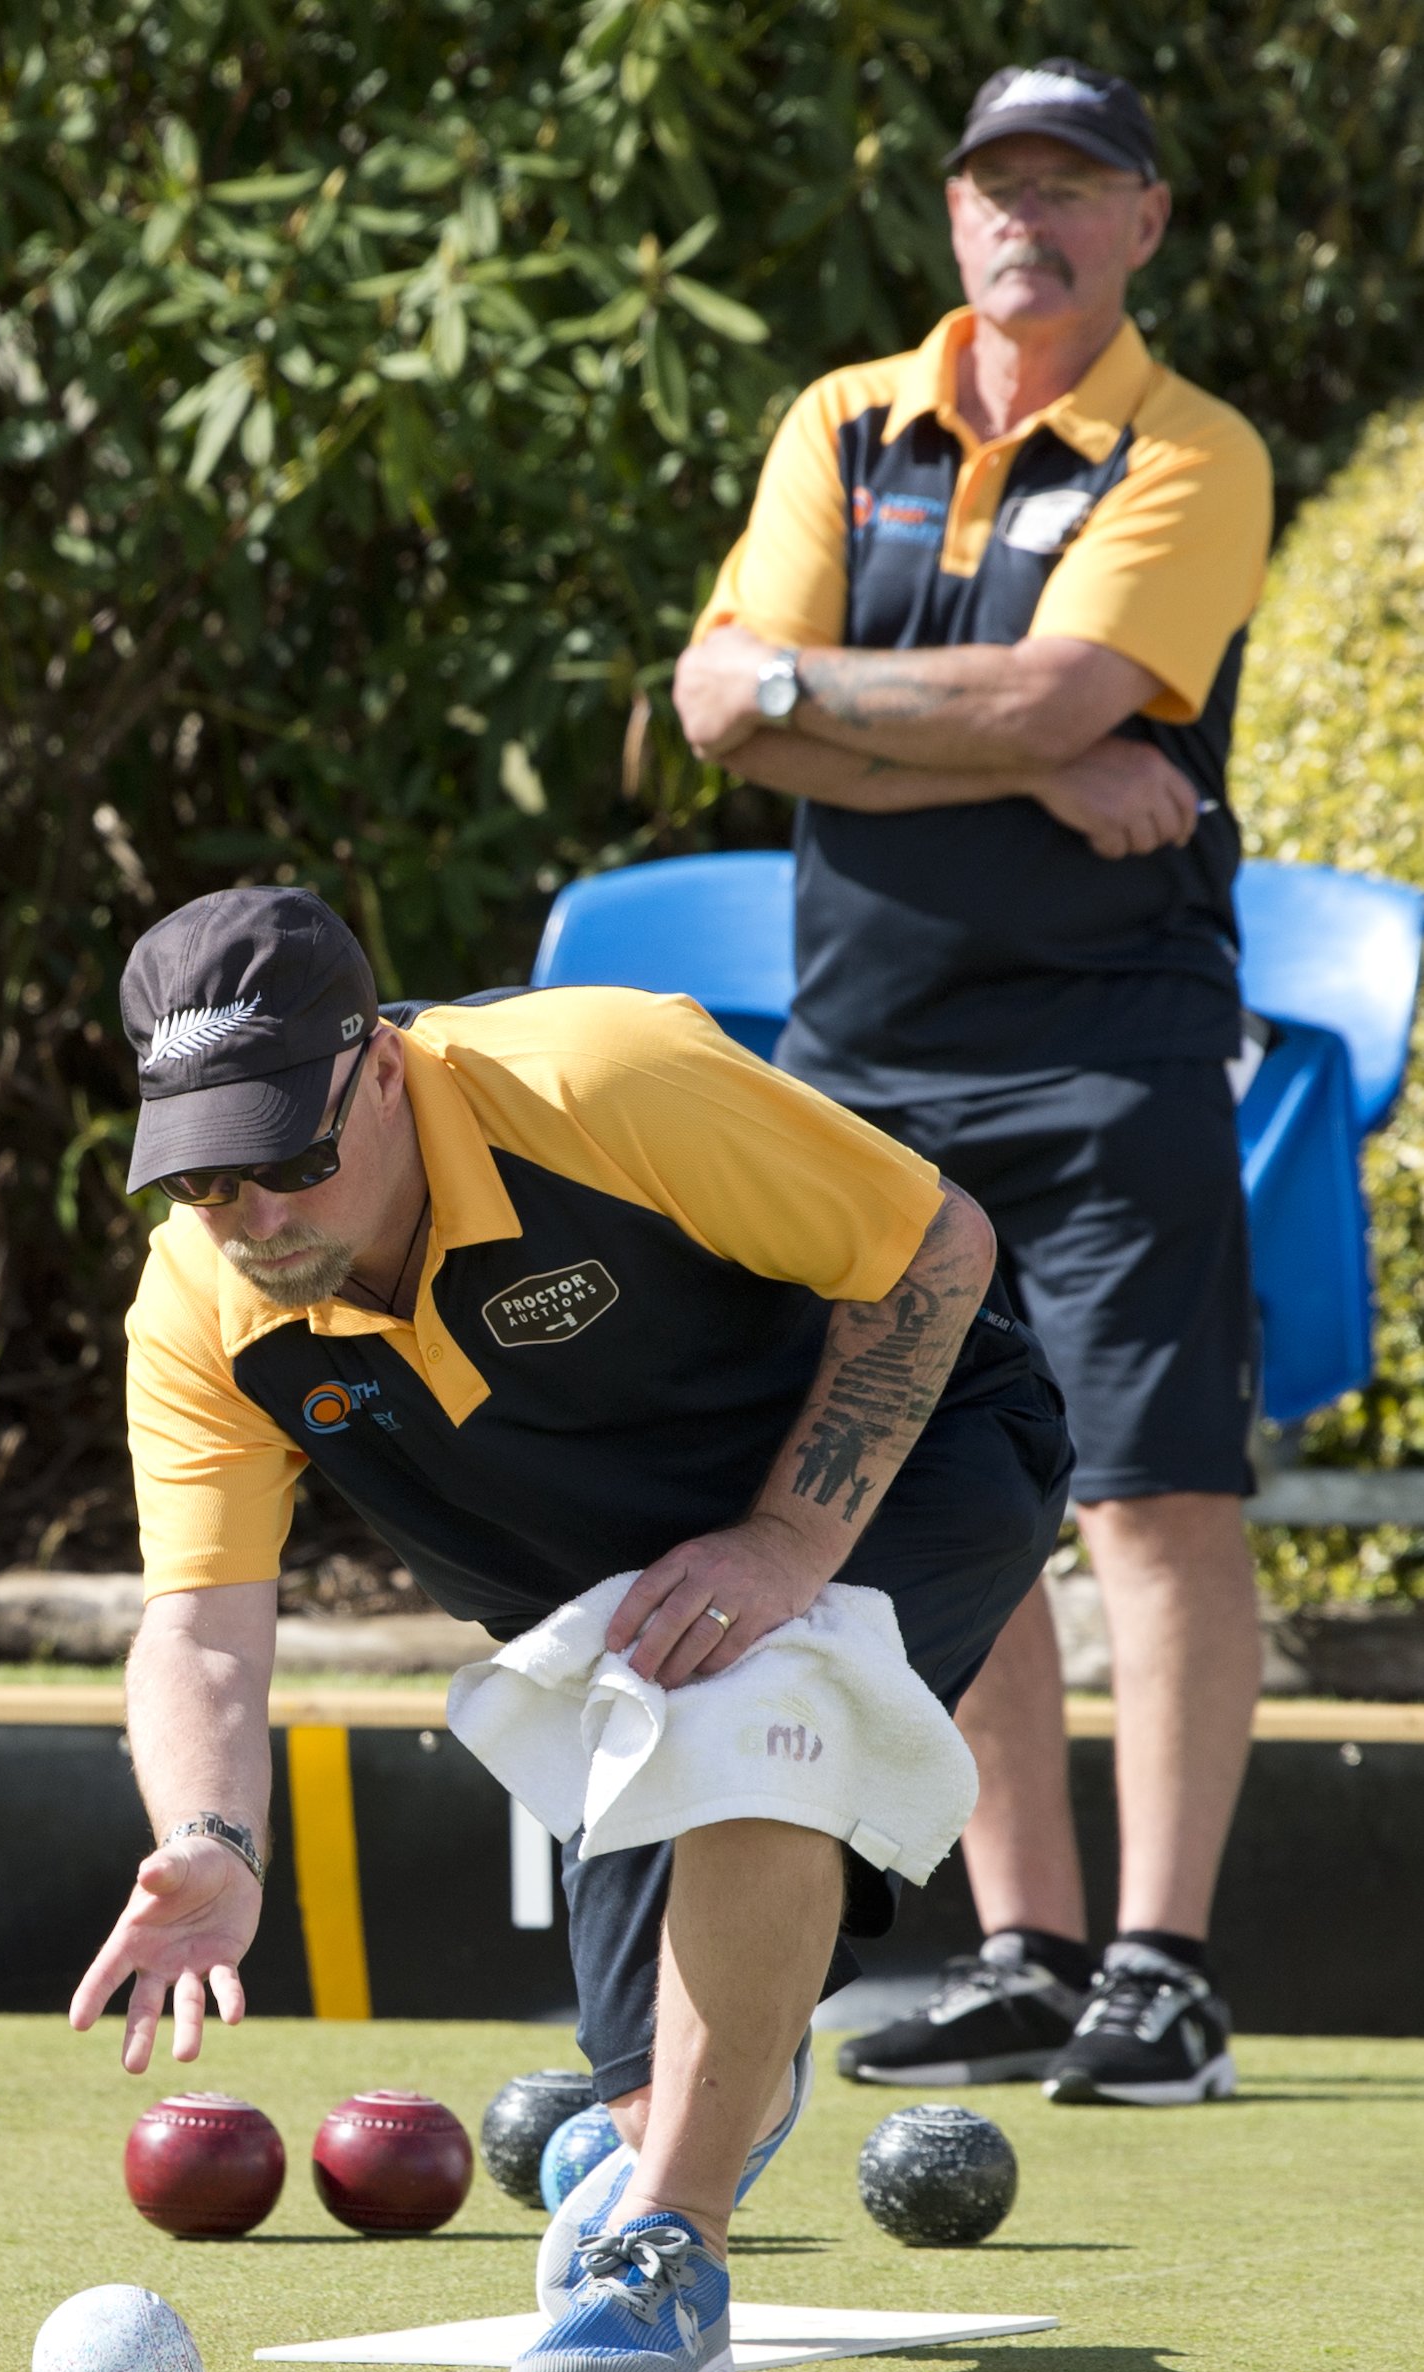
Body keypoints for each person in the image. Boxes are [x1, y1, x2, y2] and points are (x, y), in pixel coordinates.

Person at [70, 884, 1069, 2372]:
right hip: (625, 1610)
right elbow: (202, 1622)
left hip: (909, 1454)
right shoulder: (201, 1307)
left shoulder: (605, 1082)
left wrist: (789, 1543)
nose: (258, 1219)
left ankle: (676, 2255)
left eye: (293, 1157)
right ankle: (695, 2109)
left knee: (761, 1711)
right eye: (208, 1180)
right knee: (646, 2088)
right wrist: (210, 1840)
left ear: (383, 1070)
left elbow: (939, 1249)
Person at [673, 58, 1273, 2105]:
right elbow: (712, 702)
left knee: (1151, 1491)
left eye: (1072, 183)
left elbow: (1021, 680)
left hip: (1114, 1046)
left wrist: (828, 694)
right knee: (962, 1493)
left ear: (1145, 220)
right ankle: (1026, 1944)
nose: (1029, 215)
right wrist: (1021, 747)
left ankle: (1165, 1968)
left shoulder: (1191, 449)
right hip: (864, 1061)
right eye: (996, 182)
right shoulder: (840, 422)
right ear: (950, 219)